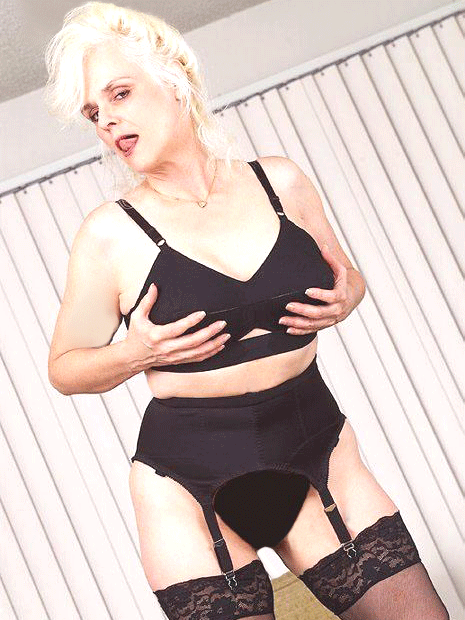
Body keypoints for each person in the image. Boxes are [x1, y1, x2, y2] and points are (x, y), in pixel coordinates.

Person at [45, 3, 450, 619]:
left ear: (176, 79)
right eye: (93, 113)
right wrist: (137, 351)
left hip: (319, 449)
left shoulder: (280, 183)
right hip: (188, 488)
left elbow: (347, 280)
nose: (108, 121)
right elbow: (65, 369)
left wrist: (348, 297)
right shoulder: (110, 234)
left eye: (120, 94)